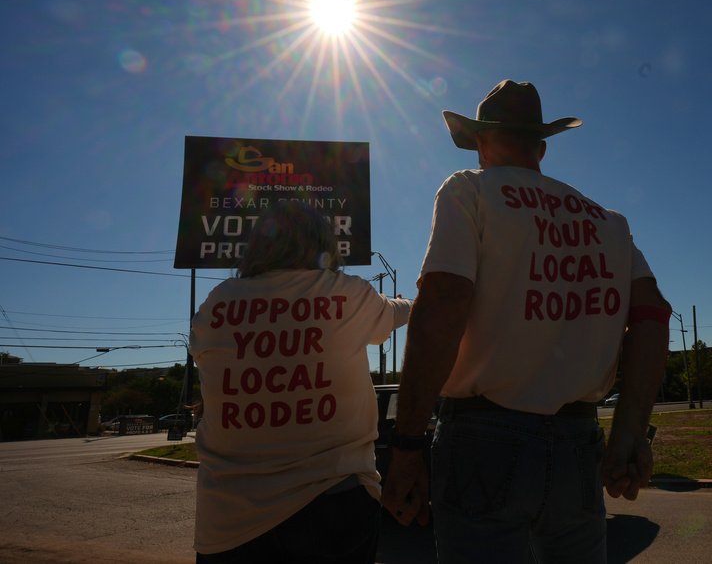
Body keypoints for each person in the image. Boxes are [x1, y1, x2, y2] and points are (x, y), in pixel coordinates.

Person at [381, 79, 671, 564]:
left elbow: (442, 305)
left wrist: (408, 444)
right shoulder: (608, 221)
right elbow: (651, 314)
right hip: (579, 441)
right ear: (541, 146)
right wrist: (629, 431)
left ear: (480, 140)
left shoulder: (468, 190)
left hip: (482, 439)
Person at [188, 200, 413, 563]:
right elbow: (402, 311)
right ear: (324, 243)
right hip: (335, 507)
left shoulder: (217, 303)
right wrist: (411, 303)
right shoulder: (348, 292)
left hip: (228, 521)